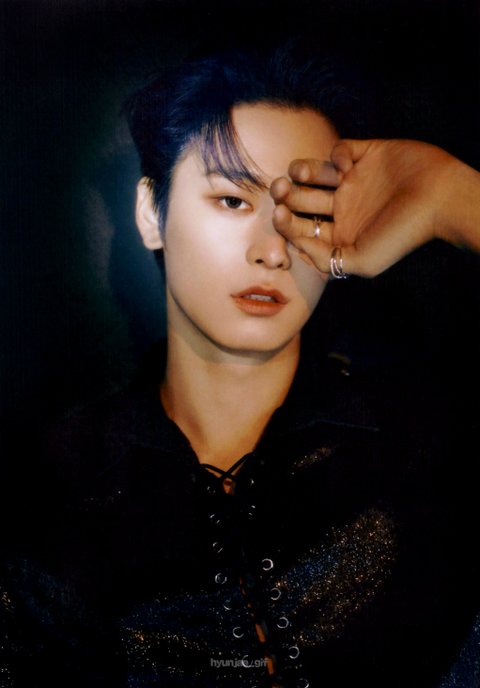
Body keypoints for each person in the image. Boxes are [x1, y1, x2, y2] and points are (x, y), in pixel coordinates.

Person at [1, 42, 479, 688]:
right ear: (150, 213)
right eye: (232, 201)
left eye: (308, 208)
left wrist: (453, 197)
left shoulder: (430, 437)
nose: (273, 252)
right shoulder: (49, 490)